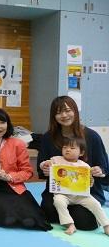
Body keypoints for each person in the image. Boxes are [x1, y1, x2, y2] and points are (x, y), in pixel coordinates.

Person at [38, 96, 109, 230]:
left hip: (86, 192)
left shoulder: (92, 136)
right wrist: (45, 169)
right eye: (58, 112)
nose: (64, 115)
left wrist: (100, 170)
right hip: (58, 192)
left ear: (75, 111)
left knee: (87, 223)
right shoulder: (48, 137)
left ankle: (73, 217)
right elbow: (41, 167)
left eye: (67, 110)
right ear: (54, 116)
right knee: (48, 213)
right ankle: (69, 216)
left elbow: (105, 166)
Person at [0, 108, 51, 230]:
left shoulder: (17, 144)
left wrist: (9, 176)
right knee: (7, 220)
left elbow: (27, 171)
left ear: (7, 125)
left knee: (33, 219)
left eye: (2, 123)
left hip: (14, 186)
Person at [40, 137, 109, 235]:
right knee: (58, 201)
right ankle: (70, 224)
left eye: (72, 148)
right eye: (65, 147)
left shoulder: (85, 166)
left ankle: (106, 226)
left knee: (95, 204)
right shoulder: (56, 160)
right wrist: (45, 164)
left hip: (80, 195)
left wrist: (90, 180)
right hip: (63, 194)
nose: (67, 150)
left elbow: (90, 184)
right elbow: (43, 164)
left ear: (81, 153)